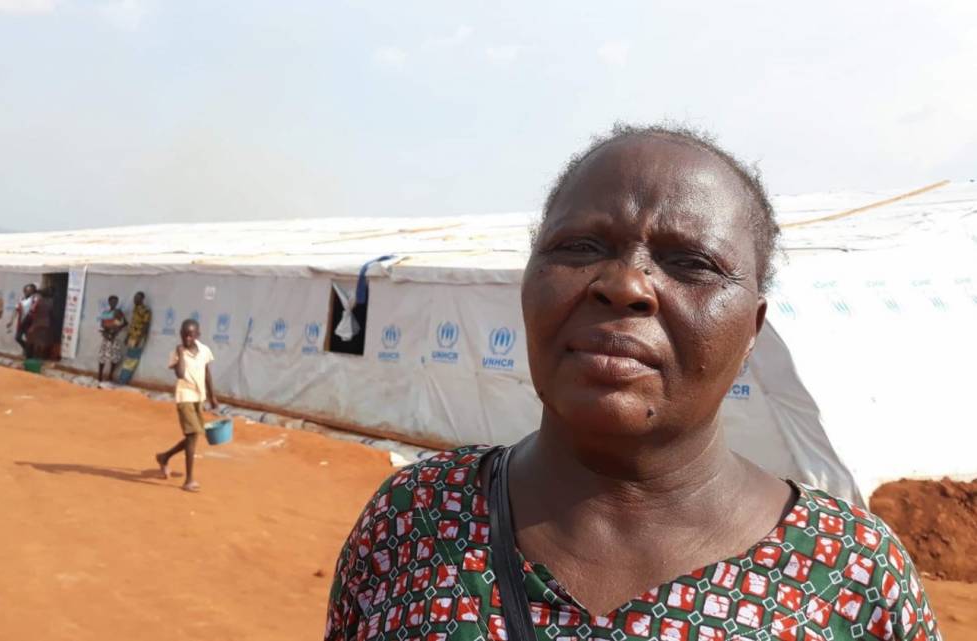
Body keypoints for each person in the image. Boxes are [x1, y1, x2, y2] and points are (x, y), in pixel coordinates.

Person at [324, 126, 940, 641]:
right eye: (580, 247)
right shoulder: (414, 519)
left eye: (691, 263)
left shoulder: (851, 573)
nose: (625, 284)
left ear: (751, 330)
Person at [155, 318, 215, 493]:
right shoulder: (176, 352)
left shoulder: (204, 350)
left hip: (199, 396)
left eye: (190, 335)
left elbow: (207, 373)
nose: (187, 339)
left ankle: (164, 456)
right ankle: (189, 480)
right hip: (185, 396)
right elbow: (180, 374)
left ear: (197, 335)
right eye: (184, 335)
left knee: (193, 437)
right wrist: (181, 353)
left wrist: (212, 396)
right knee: (193, 433)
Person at [97, 295, 128, 382]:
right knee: (102, 356)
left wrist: (118, 329)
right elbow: (102, 325)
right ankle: (99, 375)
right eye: (112, 301)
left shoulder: (119, 312)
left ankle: (110, 375)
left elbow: (125, 323)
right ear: (109, 302)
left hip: (115, 337)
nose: (114, 303)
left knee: (115, 357)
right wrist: (105, 333)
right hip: (106, 337)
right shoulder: (105, 313)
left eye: (116, 301)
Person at [7, 284, 37, 358]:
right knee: (18, 337)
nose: (26, 292)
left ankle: (29, 355)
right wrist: (11, 321)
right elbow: (16, 310)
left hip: (30, 323)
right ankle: (26, 349)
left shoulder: (34, 300)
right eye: (25, 290)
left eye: (28, 290)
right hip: (21, 322)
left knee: (29, 339)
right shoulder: (22, 299)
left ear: (32, 291)